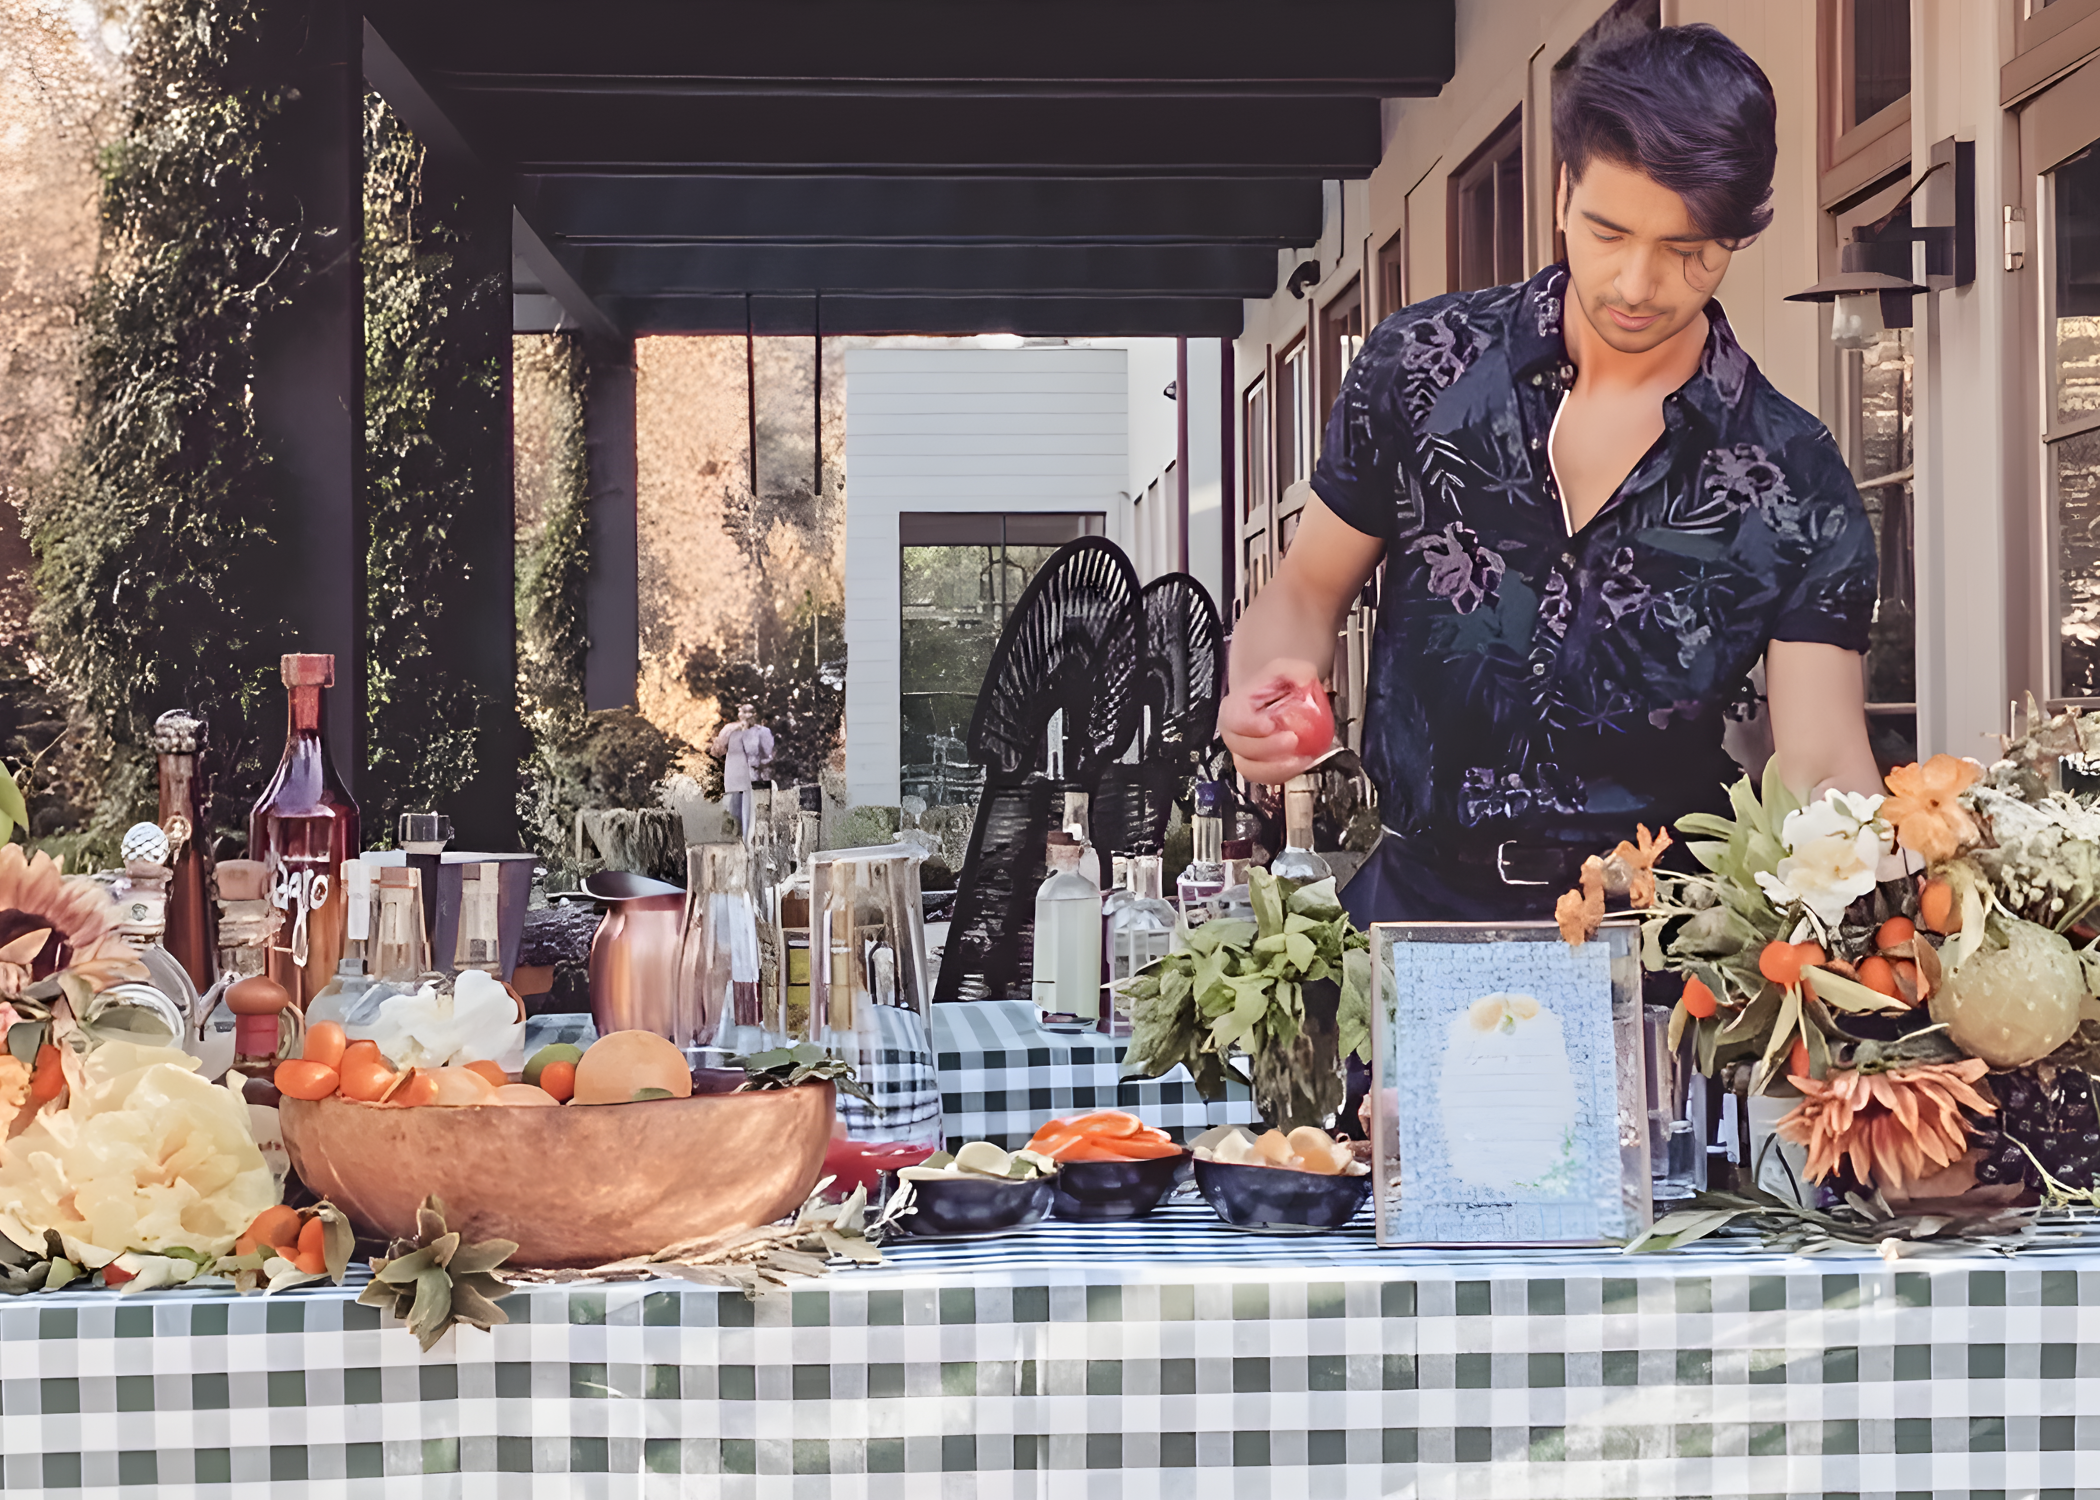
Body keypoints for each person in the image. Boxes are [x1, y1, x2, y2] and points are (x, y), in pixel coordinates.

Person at [1220, 24, 1884, 926]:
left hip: (1654, 945)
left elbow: (1820, 766)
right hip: (1415, 913)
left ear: (1738, 237)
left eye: (1691, 250)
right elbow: (1304, 589)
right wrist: (1267, 689)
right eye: (1608, 233)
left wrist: (1876, 896)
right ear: (1563, 191)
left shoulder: (1794, 476)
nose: (1639, 284)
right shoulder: (1421, 368)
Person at [711, 701, 775, 840]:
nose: (745, 716)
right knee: (732, 815)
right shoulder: (729, 729)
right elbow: (716, 751)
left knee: (752, 819)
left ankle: (752, 849)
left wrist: (757, 764)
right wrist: (729, 733)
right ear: (738, 713)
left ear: (755, 714)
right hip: (733, 779)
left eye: (749, 712)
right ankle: (732, 846)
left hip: (753, 780)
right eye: (742, 711)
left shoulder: (762, 732)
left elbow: (768, 756)